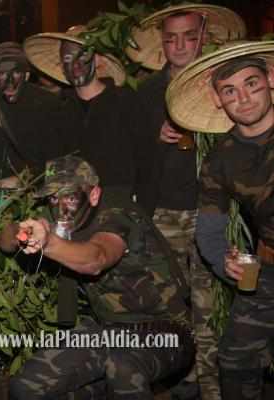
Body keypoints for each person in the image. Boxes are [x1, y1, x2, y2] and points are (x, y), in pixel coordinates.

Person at [0, 154, 193, 399]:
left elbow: (96, 259)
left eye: (70, 197)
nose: (60, 207)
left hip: (164, 332)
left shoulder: (119, 216)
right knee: (25, 387)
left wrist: (48, 243)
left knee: (123, 366)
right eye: (53, 198)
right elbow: (3, 242)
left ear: (94, 195)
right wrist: (21, 232)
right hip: (106, 329)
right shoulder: (57, 218)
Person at [133, 4, 245, 399]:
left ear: (204, 37)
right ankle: (178, 374)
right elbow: (131, 156)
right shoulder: (146, 92)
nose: (180, 45)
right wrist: (156, 138)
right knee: (165, 306)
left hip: (209, 211)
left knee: (208, 305)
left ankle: (210, 386)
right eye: (171, 38)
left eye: (189, 36)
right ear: (161, 42)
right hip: (161, 211)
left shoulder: (219, 85)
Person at [167, 41, 274, 400]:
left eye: (251, 83)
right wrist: (224, 263)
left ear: (270, 79)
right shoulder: (219, 161)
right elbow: (209, 234)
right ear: (218, 99)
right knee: (235, 363)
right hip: (267, 271)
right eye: (230, 90)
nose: (243, 98)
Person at [24, 26, 160, 216]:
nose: (76, 65)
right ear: (62, 67)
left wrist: (143, 212)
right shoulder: (57, 109)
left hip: (121, 210)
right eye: (68, 59)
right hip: (75, 213)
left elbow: (149, 162)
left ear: (96, 59)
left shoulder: (125, 101)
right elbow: (51, 166)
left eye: (83, 57)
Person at [0, 42, 64, 187]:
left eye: (16, 73)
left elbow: (59, 166)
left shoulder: (48, 105)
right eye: (2, 74)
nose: (10, 82)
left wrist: (24, 180)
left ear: (27, 75)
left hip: (35, 195)